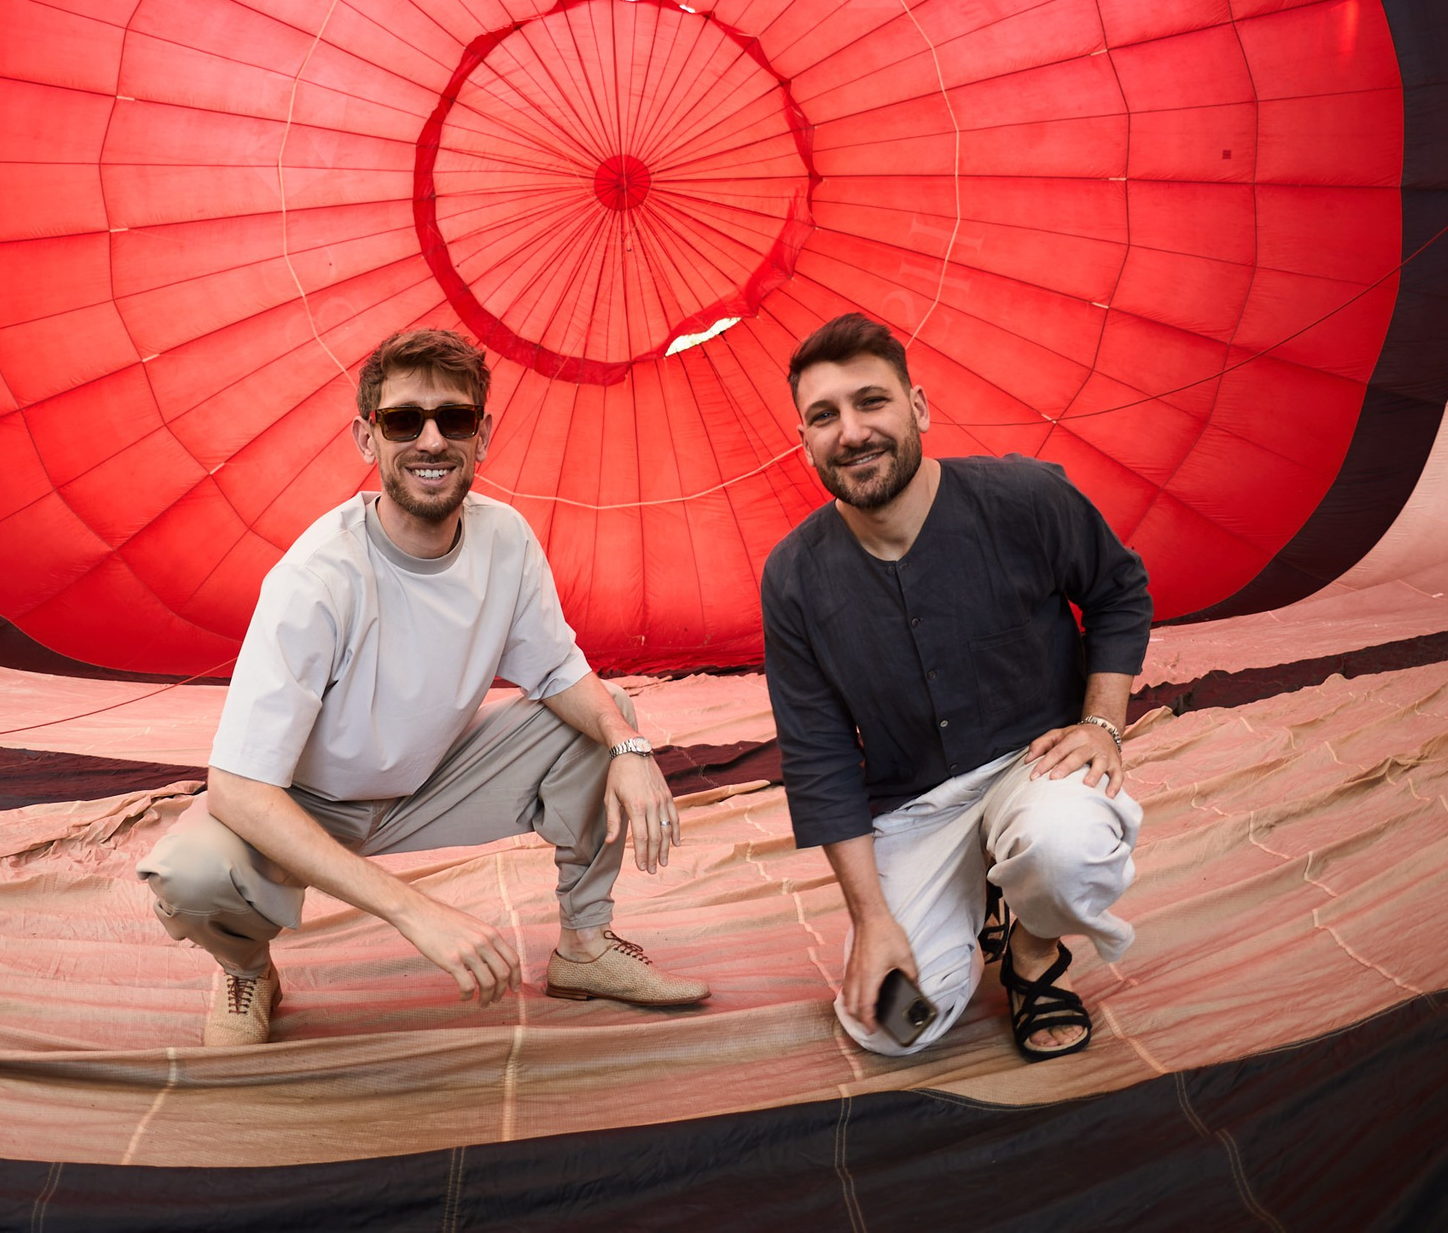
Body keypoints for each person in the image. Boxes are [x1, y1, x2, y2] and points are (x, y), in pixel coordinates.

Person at [138, 328, 709, 1046]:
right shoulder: (316, 579)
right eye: (405, 420)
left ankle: (585, 946)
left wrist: (631, 745)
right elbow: (238, 787)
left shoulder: (506, 539)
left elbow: (563, 674)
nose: (432, 440)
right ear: (366, 438)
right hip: (307, 805)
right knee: (188, 875)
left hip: (433, 782)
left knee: (606, 714)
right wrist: (413, 909)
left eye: (455, 419)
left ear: (483, 434)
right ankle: (248, 965)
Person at [760, 313, 1151, 1060]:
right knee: (891, 1027)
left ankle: (1032, 953)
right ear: (805, 439)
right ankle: (979, 897)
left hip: (1036, 767)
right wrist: (873, 919)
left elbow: (1119, 589)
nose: (850, 430)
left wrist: (1102, 722)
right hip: (915, 806)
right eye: (823, 415)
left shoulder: (1027, 497)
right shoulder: (792, 578)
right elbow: (819, 757)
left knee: (1065, 848)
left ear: (919, 407)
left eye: (871, 401)